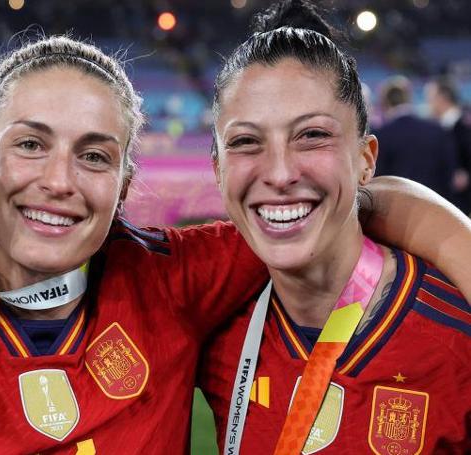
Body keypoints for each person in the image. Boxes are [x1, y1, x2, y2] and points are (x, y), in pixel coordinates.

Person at [0, 36, 470, 455]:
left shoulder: (171, 281)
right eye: (29, 144)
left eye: (95, 155)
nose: (59, 180)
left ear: (124, 182)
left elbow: (331, 205)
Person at [200, 1, 471, 454]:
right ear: (218, 170)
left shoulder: (456, 335)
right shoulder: (207, 321)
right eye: (246, 142)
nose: (281, 173)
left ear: (366, 160)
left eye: (312, 135)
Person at [375, 75, 458, 202]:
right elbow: (449, 173)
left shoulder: (381, 135)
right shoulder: (436, 130)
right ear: (409, 98)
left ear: (385, 103)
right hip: (437, 206)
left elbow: (378, 180)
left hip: (397, 210)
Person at [426, 75, 471, 215]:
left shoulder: (464, 124)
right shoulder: (439, 126)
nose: (429, 102)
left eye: (431, 97)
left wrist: (466, 172)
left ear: (442, 97)